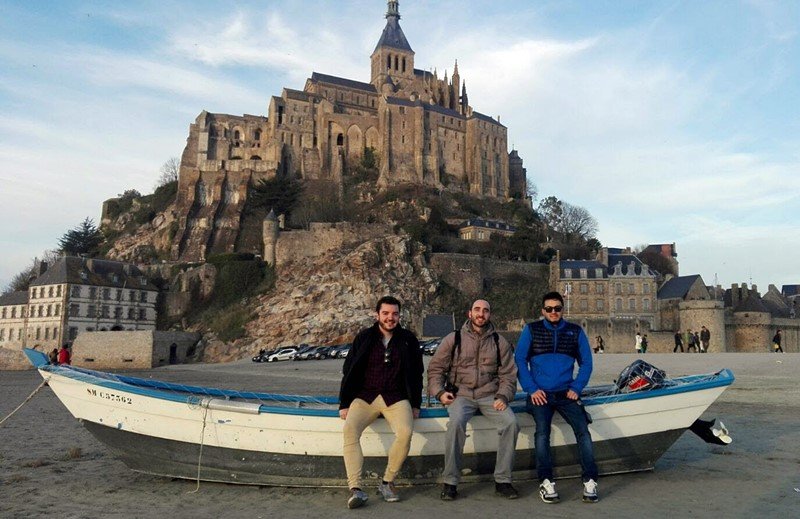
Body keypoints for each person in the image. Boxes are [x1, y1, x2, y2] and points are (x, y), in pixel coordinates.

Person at [428, 299, 520, 501]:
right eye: (477, 310)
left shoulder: (499, 342)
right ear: (469, 313)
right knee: (456, 424)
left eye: (485, 311)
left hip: (490, 395)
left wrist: (504, 395)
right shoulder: (454, 339)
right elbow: (435, 369)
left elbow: (509, 375)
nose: (481, 314)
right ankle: (450, 482)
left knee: (511, 423)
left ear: (490, 315)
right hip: (461, 394)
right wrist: (440, 393)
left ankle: (503, 480)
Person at [338, 296, 424, 509]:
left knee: (405, 433)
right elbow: (349, 369)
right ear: (377, 315)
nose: (390, 318)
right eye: (385, 313)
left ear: (399, 315)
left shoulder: (407, 339)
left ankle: (387, 482)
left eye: (394, 314)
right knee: (350, 430)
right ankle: (355, 488)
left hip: (396, 398)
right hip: (365, 396)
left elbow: (417, 373)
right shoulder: (365, 337)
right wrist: (344, 403)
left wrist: (416, 404)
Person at [515, 291, 598, 504]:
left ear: (563, 309)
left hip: (566, 393)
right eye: (549, 309)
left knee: (583, 431)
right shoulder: (531, 330)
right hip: (540, 394)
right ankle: (546, 481)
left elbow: (587, 363)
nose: (553, 312)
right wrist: (532, 389)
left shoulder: (575, 331)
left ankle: (590, 480)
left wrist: (577, 387)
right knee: (542, 433)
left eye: (557, 308)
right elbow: (520, 360)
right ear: (543, 311)